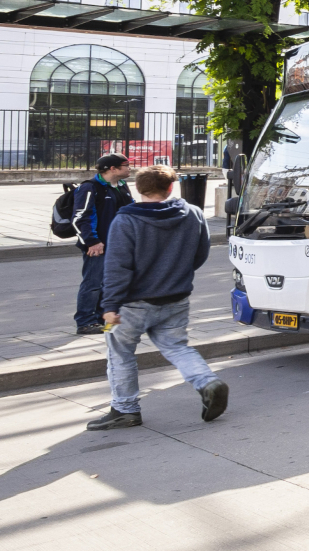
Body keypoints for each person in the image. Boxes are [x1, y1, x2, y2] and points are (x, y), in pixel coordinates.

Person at [87, 165, 227, 430]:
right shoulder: (194, 214)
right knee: (177, 346)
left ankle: (125, 410)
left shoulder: (125, 219)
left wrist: (109, 306)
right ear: (170, 187)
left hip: (131, 305)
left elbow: (117, 267)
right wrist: (175, 276)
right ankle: (208, 382)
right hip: (176, 299)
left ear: (138, 189)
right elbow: (200, 253)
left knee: (120, 353)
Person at [72, 153, 133, 336]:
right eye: (125, 165)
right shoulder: (90, 188)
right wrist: (92, 242)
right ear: (112, 169)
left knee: (110, 284)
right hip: (97, 246)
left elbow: (129, 211)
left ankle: (101, 318)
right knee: (93, 284)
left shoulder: (121, 186)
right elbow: (80, 217)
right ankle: (85, 321)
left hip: (118, 245)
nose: (129, 168)